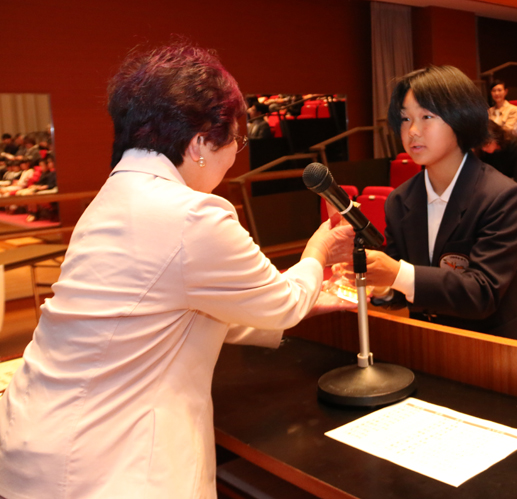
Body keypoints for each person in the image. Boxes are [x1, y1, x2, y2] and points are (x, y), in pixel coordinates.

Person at [0, 42, 355, 499]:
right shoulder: (192, 215)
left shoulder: (114, 196)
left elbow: (159, 310)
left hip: (37, 430)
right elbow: (282, 304)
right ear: (201, 142)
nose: (233, 159)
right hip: (106, 460)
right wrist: (319, 248)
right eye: (234, 142)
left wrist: (307, 298)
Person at [358, 65, 517, 345]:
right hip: (432, 344)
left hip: (503, 347)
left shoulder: (502, 196)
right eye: (404, 119)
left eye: (426, 116)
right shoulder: (399, 200)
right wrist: (384, 286)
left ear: (461, 119)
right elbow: (409, 286)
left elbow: (482, 293)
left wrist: (396, 272)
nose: (412, 131)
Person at [476, 121, 517, 193]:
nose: (484, 148)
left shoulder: (515, 144)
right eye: (481, 145)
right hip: (507, 179)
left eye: (487, 144)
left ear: (496, 137)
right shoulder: (482, 151)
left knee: (499, 188)